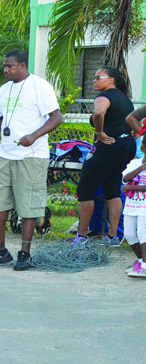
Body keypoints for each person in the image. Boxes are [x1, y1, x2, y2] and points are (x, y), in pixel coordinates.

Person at [0, 49, 62, 271]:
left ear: (23, 66)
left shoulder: (40, 86)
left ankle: (24, 253)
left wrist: (33, 136)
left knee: (28, 206)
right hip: (5, 153)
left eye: (10, 66)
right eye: (5, 66)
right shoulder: (4, 90)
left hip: (31, 155)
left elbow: (57, 117)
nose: (6, 70)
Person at [73, 66, 136, 246]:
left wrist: (100, 133)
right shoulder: (125, 100)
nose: (94, 81)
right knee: (112, 189)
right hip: (126, 147)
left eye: (98, 77)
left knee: (86, 190)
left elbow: (99, 113)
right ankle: (113, 236)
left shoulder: (103, 97)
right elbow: (132, 121)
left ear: (111, 80)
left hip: (108, 146)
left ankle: (82, 237)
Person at [121, 140, 146, 277]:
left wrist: (131, 187)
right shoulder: (135, 163)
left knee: (143, 233)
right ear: (143, 148)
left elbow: (127, 186)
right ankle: (141, 261)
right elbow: (125, 179)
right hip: (132, 204)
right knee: (129, 234)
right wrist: (141, 168)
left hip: (145, 205)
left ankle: (145, 266)